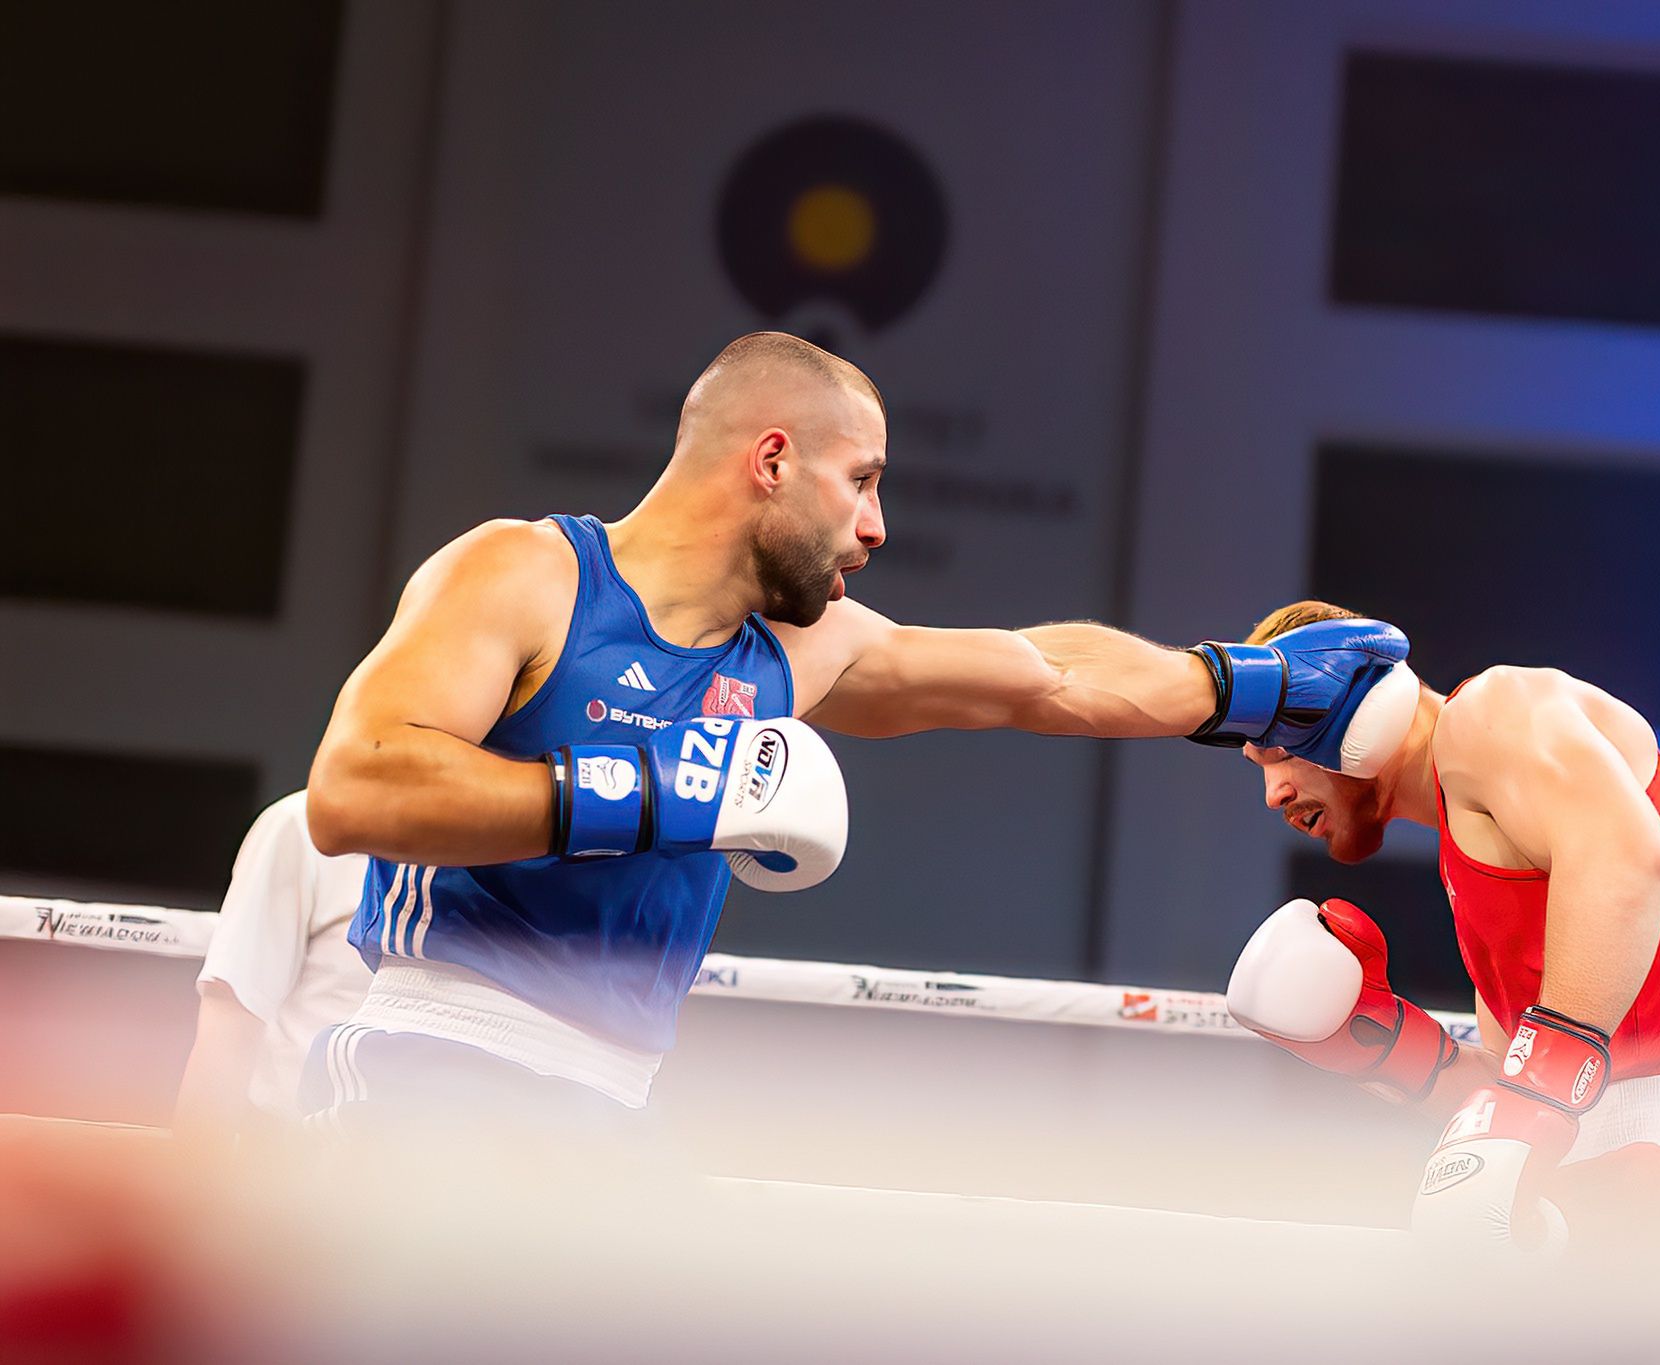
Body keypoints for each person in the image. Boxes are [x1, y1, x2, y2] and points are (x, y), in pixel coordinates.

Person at [303, 332, 1404, 1129]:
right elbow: (355, 788)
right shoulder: (526, 572)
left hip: (608, 1104)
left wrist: (1244, 684)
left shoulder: (798, 650)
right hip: (433, 1061)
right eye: (861, 480)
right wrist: (652, 792)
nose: (876, 525)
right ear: (772, 461)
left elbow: (1043, 677)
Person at [1223, 600, 1660, 1257]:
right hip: (1595, 1196)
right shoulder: (1479, 853)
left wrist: (1539, 1084)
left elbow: (1629, 860)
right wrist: (1388, 1045)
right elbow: (1534, 1101)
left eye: (1280, 750)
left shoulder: (1492, 711)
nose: (1273, 793)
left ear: (1352, 700)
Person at [173, 791, 369, 1139]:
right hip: (291, 1154)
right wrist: (191, 1182)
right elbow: (231, 1016)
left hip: (451, 1158)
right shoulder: (302, 825)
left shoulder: (493, 843)